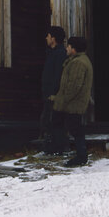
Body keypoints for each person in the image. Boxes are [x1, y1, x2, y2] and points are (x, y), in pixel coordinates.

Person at [50, 36, 93, 167]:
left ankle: (81, 156)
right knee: (73, 128)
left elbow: (73, 87)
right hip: (72, 103)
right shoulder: (75, 61)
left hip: (73, 104)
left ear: (73, 49)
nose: (66, 48)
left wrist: (59, 100)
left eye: (68, 46)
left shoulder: (78, 63)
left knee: (75, 129)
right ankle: (74, 153)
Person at [39, 26, 67, 151]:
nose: (46, 38)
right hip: (48, 93)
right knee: (48, 121)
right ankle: (51, 147)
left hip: (54, 94)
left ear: (53, 39)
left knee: (55, 121)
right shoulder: (51, 53)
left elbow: (58, 75)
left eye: (48, 36)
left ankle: (58, 148)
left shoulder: (60, 54)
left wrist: (53, 93)